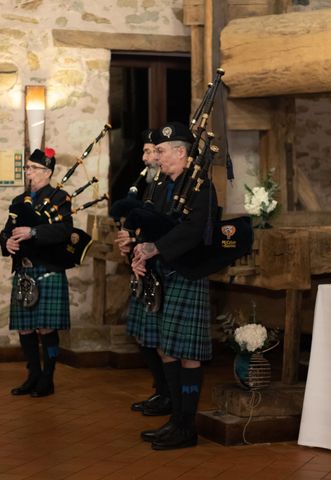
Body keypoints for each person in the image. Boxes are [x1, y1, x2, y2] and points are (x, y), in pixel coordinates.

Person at [130, 121, 218, 450]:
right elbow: (155, 225)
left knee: (188, 355)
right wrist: (142, 249)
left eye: (163, 151)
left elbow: (194, 230)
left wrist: (157, 248)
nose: (158, 157)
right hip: (164, 272)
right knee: (167, 348)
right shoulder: (165, 186)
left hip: (188, 273)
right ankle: (175, 419)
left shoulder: (200, 187)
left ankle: (187, 427)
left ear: (181, 153)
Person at [0, 147, 72, 398]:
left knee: (46, 328)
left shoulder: (60, 198)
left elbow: (64, 231)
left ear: (47, 172)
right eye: (27, 168)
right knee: (25, 328)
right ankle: (33, 375)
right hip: (25, 270)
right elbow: (6, 230)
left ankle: (47, 379)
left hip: (48, 269)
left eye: (33, 168)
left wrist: (34, 232)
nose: (28, 172)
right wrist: (7, 243)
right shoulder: (19, 202)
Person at [115, 129, 172, 417]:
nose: (147, 157)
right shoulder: (145, 185)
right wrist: (128, 240)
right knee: (145, 338)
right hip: (143, 269)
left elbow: (163, 229)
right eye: (146, 152)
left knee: (160, 340)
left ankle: (167, 395)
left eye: (152, 152)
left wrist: (137, 241)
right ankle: (160, 391)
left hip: (160, 269)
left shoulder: (167, 187)